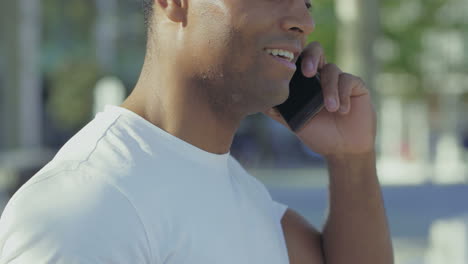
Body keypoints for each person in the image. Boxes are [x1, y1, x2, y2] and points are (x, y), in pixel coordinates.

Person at [0, 0, 394, 263]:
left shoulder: (246, 198)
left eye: (307, 1)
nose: (304, 21)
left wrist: (351, 159)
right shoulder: (87, 204)